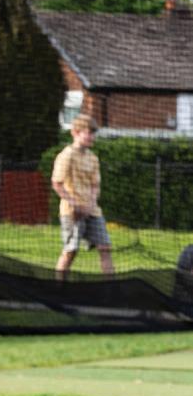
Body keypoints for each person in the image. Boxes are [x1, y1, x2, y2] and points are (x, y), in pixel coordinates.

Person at [52, 114, 115, 279]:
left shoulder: (93, 158)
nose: (92, 137)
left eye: (94, 133)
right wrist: (75, 205)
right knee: (71, 251)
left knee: (105, 247)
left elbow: (95, 185)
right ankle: (58, 287)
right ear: (75, 132)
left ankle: (111, 288)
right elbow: (57, 183)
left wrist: (91, 205)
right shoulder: (66, 155)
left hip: (92, 211)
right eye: (88, 133)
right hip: (71, 212)